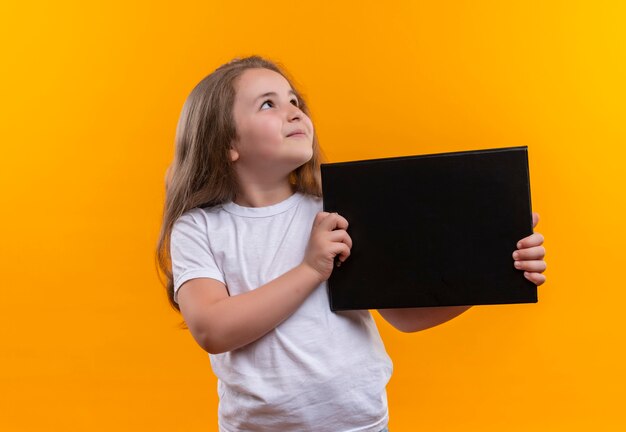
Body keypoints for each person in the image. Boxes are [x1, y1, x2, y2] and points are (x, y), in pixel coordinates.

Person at [156, 55, 547, 432]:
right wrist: (311, 270)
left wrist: (496, 266)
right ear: (226, 143)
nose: (294, 111)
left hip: (361, 426)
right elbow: (212, 329)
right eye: (268, 104)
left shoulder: (339, 210)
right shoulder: (199, 227)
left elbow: (405, 317)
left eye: (295, 101)